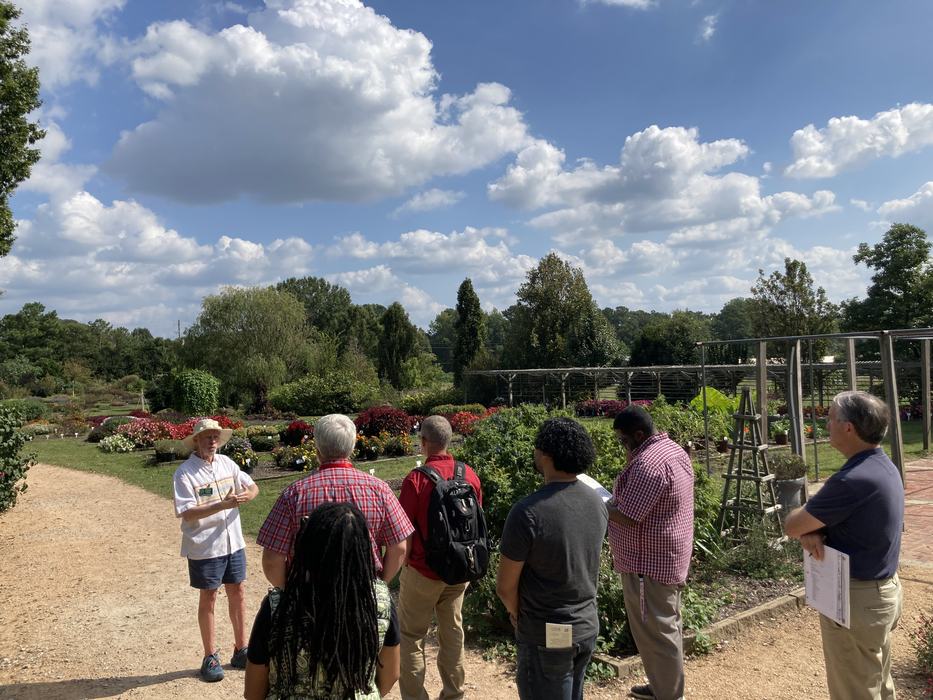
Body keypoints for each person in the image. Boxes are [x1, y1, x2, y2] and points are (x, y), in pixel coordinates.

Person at [785, 390, 904, 700]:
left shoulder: (852, 480)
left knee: (854, 692)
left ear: (848, 428)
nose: (827, 425)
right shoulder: (882, 466)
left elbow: (793, 524)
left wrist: (810, 530)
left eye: (831, 419)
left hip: (856, 600)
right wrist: (818, 532)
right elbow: (851, 524)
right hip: (880, 594)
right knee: (877, 683)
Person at [496, 417, 608, 700]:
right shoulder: (597, 501)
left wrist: (516, 614)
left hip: (547, 634)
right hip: (586, 626)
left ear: (546, 454)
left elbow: (505, 587)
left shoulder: (527, 512)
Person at [244, 501, 401, 699]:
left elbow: (253, 691)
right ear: (363, 548)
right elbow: (391, 674)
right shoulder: (379, 601)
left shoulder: (279, 605)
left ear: (307, 547)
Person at [257, 413, 414, 588]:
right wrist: (380, 585)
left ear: (317, 448)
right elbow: (399, 547)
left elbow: (272, 559)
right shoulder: (380, 490)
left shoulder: (294, 494)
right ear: (352, 447)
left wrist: (291, 592)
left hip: (310, 599)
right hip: (363, 596)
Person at [607, 405, 693, 700]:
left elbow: (629, 515)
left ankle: (669, 694)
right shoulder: (673, 451)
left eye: (623, 440)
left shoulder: (648, 465)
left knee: (656, 633)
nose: (622, 446)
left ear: (639, 434)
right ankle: (662, 686)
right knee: (666, 627)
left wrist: (601, 504)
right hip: (666, 557)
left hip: (648, 565)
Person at [397, 415, 483, 700]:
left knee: (411, 637)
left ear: (423, 442)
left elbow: (404, 530)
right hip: (460, 569)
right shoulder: (469, 474)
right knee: (452, 632)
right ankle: (453, 693)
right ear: (449, 440)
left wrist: (406, 565)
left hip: (423, 571)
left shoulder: (416, 480)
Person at [173, 417, 259, 683]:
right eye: (207, 437)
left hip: (233, 541)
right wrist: (222, 505)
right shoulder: (185, 472)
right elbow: (186, 513)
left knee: (238, 592)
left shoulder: (227, 463)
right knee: (209, 596)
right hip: (205, 544)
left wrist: (249, 495)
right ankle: (210, 656)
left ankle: (240, 648)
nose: (212, 441)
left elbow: (252, 486)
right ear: (196, 440)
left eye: (215, 437)